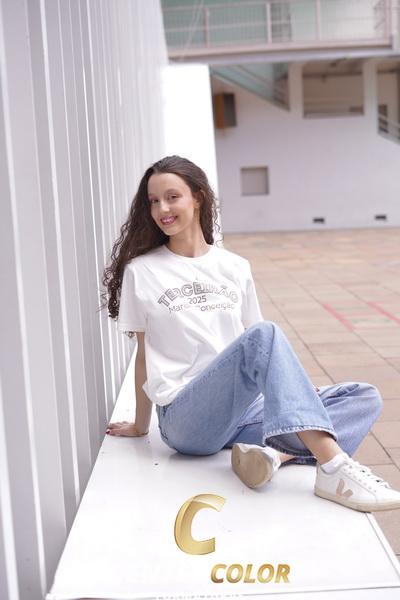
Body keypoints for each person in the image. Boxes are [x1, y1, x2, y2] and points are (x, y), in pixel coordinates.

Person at [101, 155, 400, 513]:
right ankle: (333, 468)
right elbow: (144, 356)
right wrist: (140, 426)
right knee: (265, 335)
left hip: (242, 413)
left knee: (363, 397)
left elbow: (255, 350)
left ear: (198, 198)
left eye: (172, 197)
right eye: (153, 201)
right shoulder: (143, 271)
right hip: (186, 419)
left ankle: (274, 454)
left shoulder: (234, 267)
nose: (162, 209)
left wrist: (295, 389)